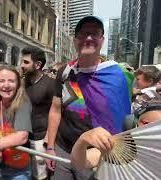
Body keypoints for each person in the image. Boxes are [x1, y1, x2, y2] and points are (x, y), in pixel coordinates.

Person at [46, 16, 133, 180]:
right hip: (63, 150)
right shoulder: (65, 72)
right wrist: (50, 147)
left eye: (95, 34)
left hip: (97, 156)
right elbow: (56, 109)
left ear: (102, 40)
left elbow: (124, 119)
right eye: (83, 34)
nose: (88, 38)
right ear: (75, 40)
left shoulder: (119, 74)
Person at [70, 102, 161, 170]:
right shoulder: (122, 149)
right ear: (132, 125)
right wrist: (83, 141)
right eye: (148, 125)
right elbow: (79, 163)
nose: (156, 134)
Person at [20, 47, 56, 180]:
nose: (22, 65)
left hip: (40, 141)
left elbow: (58, 113)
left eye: (26, 62)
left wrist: (48, 142)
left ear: (38, 65)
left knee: (40, 177)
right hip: (22, 138)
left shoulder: (51, 84)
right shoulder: (22, 82)